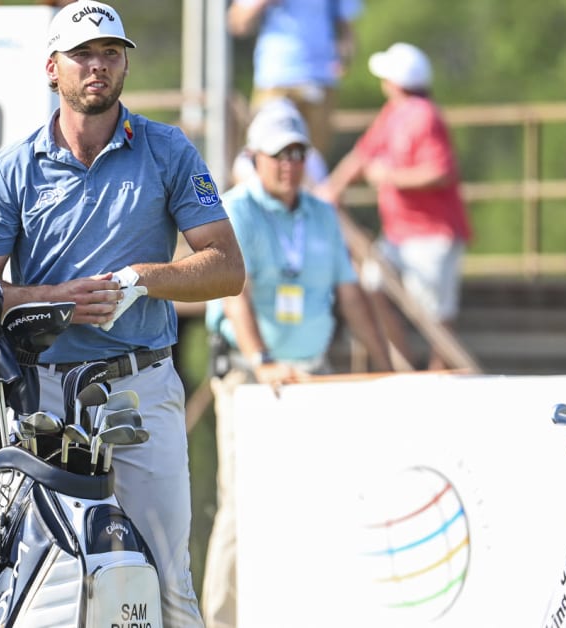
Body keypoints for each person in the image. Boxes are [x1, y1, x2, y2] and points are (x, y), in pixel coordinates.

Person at [0, 2, 245, 624]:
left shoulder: (168, 150)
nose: (99, 66)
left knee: (168, 576)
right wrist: (54, 299)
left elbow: (226, 266)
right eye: (83, 55)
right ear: (51, 68)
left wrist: (145, 280)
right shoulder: (14, 170)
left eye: (111, 53)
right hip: (44, 401)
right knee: (32, 577)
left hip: (142, 385)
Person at [201, 98, 391, 628]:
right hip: (248, 374)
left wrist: (385, 364)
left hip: (310, 373)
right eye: (279, 153)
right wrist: (261, 361)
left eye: (298, 153)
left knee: (318, 500)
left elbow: (350, 294)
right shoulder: (235, 209)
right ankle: (221, 620)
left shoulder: (320, 213)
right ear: (255, 157)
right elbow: (232, 292)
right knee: (240, 505)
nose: (289, 163)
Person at [316, 42, 472, 371]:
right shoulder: (395, 114)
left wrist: (391, 177)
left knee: (435, 318)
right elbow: (362, 155)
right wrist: (333, 188)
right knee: (371, 288)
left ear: (395, 82)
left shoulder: (423, 116)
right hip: (402, 233)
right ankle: (407, 368)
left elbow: (440, 172)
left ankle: (434, 378)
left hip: (431, 233)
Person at [228, 0, 363, 155]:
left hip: (321, 78)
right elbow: (237, 22)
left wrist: (344, 58)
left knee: (313, 161)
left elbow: (346, 24)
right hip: (276, 76)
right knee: (263, 152)